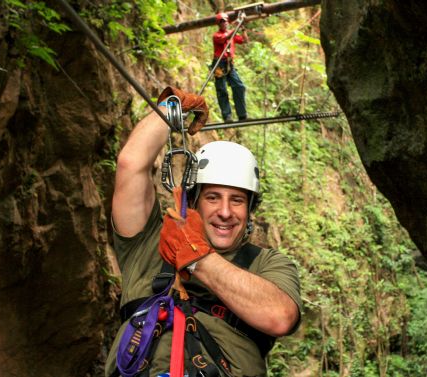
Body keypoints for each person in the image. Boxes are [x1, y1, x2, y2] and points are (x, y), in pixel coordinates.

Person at [105, 87, 301, 377]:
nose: (225, 211)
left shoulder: (267, 264)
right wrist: (169, 112)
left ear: (249, 211)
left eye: (237, 200)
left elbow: (280, 316)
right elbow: (130, 165)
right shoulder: (149, 245)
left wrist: (196, 257)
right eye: (213, 198)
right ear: (193, 201)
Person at [212, 12, 249, 123]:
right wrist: (237, 25)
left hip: (229, 64)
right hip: (219, 64)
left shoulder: (231, 33)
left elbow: (245, 40)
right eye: (222, 22)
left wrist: (242, 28)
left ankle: (242, 115)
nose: (224, 23)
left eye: (225, 21)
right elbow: (225, 38)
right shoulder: (217, 35)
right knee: (222, 89)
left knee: (239, 86)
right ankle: (227, 116)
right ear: (219, 24)